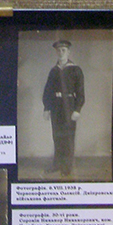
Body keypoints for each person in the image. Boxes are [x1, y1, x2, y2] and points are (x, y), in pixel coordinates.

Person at [42, 40, 85, 177]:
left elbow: (80, 92)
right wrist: (47, 108)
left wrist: (77, 109)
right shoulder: (54, 71)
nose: (61, 53)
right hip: (56, 106)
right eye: (58, 50)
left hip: (69, 105)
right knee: (57, 136)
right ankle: (57, 164)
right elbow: (48, 90)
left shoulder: (76, 70)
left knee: (68, 137)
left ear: (68, 52)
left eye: (63, 50)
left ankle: (67, 166)